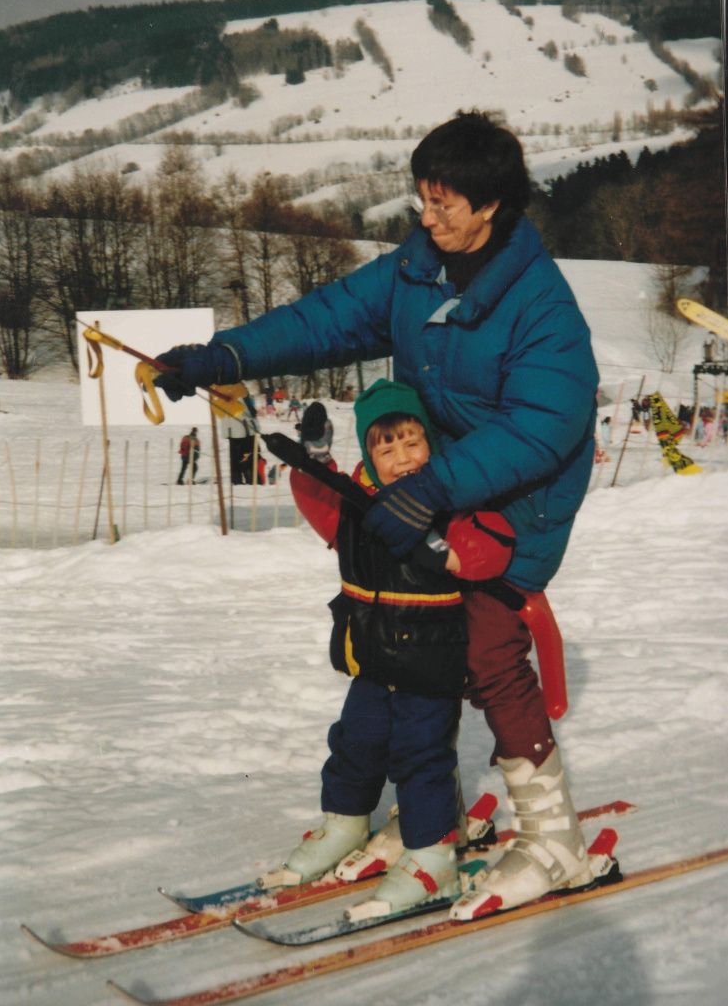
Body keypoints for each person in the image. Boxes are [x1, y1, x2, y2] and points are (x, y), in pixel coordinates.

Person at [152, 110, 600, 918]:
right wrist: (227, 355)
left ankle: (553, 838)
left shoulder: (541, 308)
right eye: (420, 200)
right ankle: (429, 812)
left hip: (516, 500)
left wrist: (431, 488)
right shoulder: (419, 268)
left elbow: (543, 426)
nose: (424, 217)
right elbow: (325, 320)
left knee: (487, 650)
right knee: (398, 640)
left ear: (491, 205)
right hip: (426, 482)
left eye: (443, 204)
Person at [266, 379, 515, 915]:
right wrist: (312, 460)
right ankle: (345, 824)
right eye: (387, 447)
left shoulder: (451, 498)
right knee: (355, 743)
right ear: (370, 456)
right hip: (373, 662)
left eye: (413, 443)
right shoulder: (356, 508)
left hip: (431, 666)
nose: (403, 459)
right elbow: (318, 498)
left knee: (421, 759)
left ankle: (432, 859)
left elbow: (492, 544)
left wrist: (444, 553)